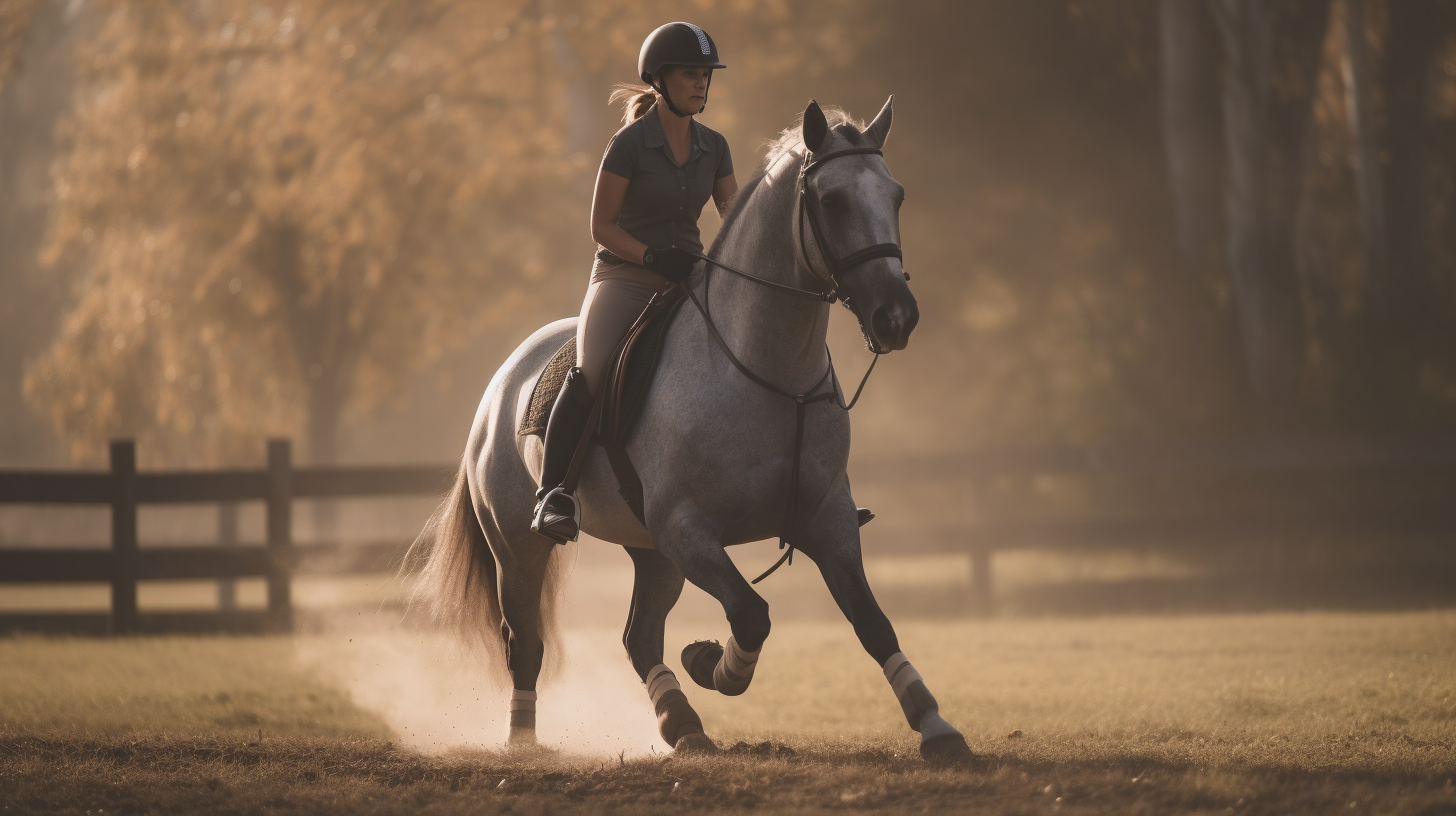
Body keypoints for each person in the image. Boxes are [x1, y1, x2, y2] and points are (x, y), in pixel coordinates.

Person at [531, 22, 739, 543]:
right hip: (625, 277)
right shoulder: (628, 145)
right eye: (691, 74)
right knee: (591, 370)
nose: (701, 83)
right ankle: (553, 493)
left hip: (688, 279)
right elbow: (601, 227)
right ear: (660, 79)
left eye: (705, 75)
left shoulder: (715, 147)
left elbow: (734, 218)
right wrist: (650, 255)